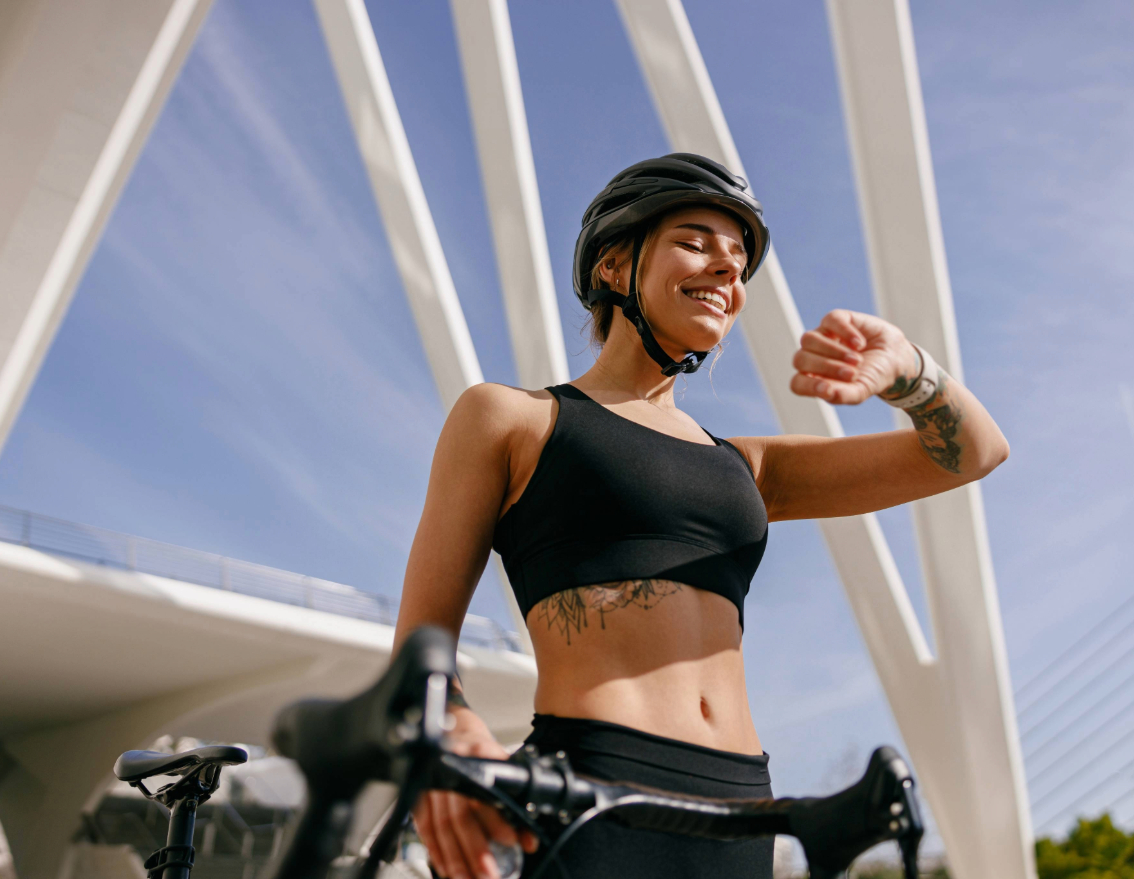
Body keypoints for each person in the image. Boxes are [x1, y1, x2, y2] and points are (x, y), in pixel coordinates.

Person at [393, 154, 1008, 879]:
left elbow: (972, 453)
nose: (728, 269)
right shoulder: (511, 417)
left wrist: (910, 371)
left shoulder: (746, 465)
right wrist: (453, 731)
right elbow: (421, 639)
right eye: (696, 240)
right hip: (587, 791)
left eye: (740, 260)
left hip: (741, 810)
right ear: (615, 268)